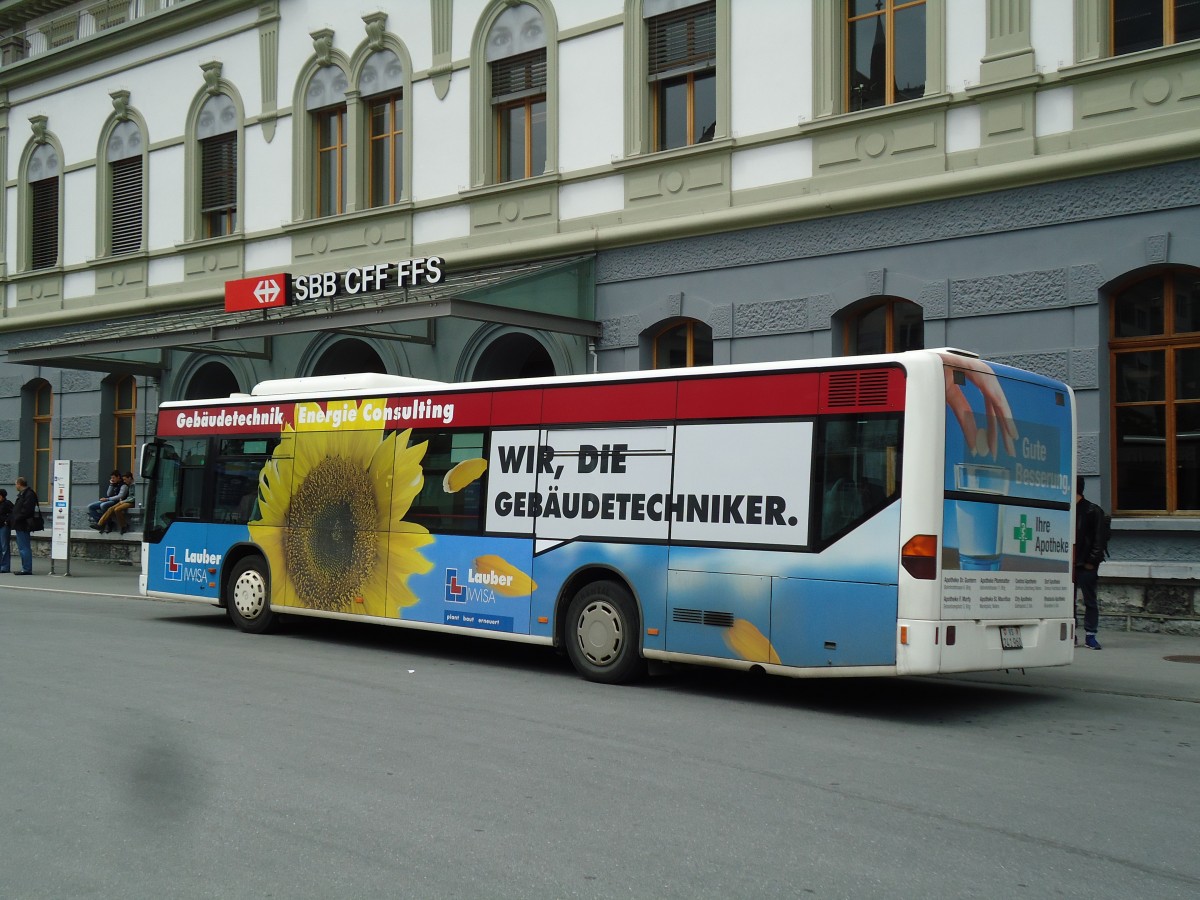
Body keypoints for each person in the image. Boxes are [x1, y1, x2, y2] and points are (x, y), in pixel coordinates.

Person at [1074, 476, 1106, 650]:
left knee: (1090, 600)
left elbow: (1099, 540)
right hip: (1069, 564)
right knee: (1067, 602)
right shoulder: (1067, 509)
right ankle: (1070, 634)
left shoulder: (1093, 511)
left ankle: (1090, 635)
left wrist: (1091, 562)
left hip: (1086, 564)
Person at [11, 476, 39, 575]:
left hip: (23, 524)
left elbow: (27, 510)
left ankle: (26, 569)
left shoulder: (29, 494)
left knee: (24, 547)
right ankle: (25, 568)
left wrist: (16, 517)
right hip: (20, 524)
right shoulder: (24, 494)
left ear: (19, 484)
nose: (15, 486)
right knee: (22, 547)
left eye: (16, 484)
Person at [0, 488, 12, 574]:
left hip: (4, 527)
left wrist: (7, 521)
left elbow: (13, 513)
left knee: (4, 547)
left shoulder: (7, 503)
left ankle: (5, 567)